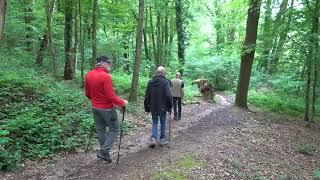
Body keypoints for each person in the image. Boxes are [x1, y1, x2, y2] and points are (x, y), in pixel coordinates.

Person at [85, 56, 128, 163]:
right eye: (108, 63)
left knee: (100, 130)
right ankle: (104, 151)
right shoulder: (105, 76)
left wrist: (96, 100)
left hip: (95, 107)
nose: (110, 65)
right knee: (115, 129)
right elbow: (110, 96)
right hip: (107, 109)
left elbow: (87, 94)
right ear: (102, 63)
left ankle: (105, 154)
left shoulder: (89, 74)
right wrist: (122, 103)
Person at [144, 66, 173, 147]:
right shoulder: (166, 82)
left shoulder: (150, 82)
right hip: (163, 107)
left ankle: (153, 138)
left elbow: (147, 96)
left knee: (154, 122)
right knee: (163, 122)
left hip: (153, 106)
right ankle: (162, 139)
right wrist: (170, 107)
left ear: (157, 72)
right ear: (164, 73)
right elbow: (169, 95)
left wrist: (146, 107)